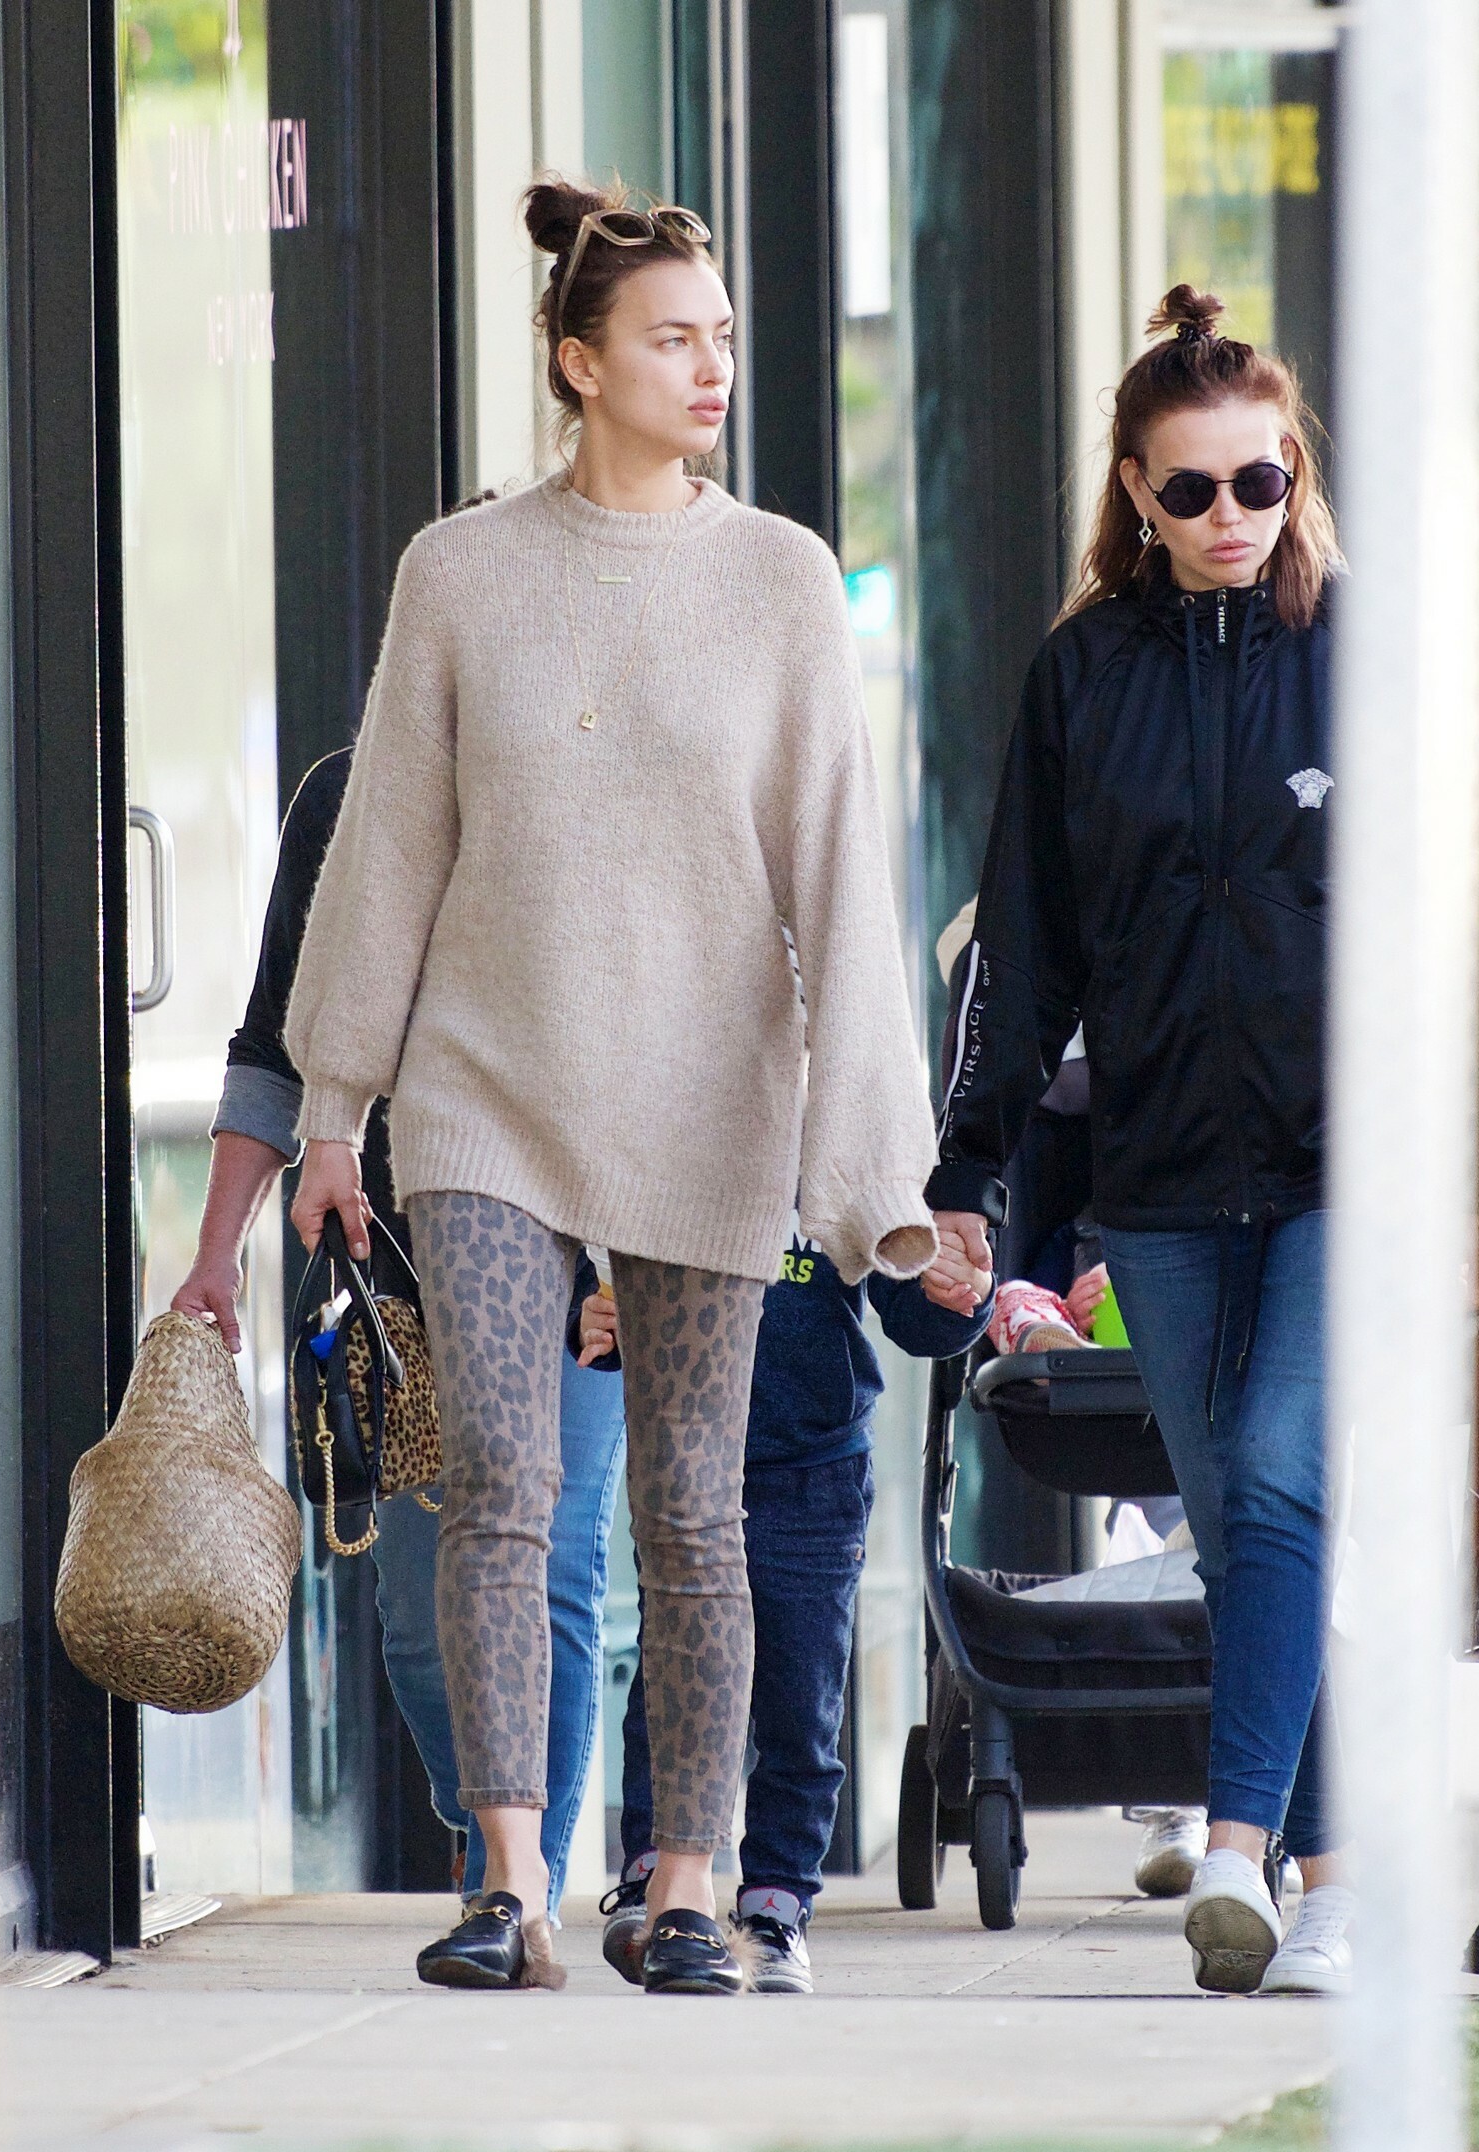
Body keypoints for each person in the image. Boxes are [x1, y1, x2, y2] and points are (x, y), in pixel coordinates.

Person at [282, 176, 963, 1994]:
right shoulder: (460, 574)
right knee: (501, 1478)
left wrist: (872, 1170)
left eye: (722, 336)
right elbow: (388, 850)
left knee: (689, 1507)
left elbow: (841, 876)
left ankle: (685, 1887)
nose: (712, 366)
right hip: (486, 1092)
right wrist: (335, 1105)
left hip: (708, 1099)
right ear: (581, 363)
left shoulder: (781, 580)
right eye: (673, 339)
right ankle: (509, 1880)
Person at [926, 286, 1350, 1996]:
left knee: (1283, 1475)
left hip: (1343, 1164)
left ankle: (1239, 1845)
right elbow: (1021, 950)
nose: (1232, 515)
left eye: (1261, 481)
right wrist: (969, 1168)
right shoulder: (1080, 677)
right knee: (1241, 1523)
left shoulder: (1364, 655)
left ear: (1294, 469)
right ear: (1135, 493)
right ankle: (1333, 1883)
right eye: (1192, 490)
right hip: (1160, 1173)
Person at [171, 745, 627, 1921]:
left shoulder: (594, 778)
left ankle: (514, 1884)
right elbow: (274, 1048)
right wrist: (217, 1255)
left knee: (551, 1570)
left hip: (577, 1264)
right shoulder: (344, 797)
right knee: (421, 1624)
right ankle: (487, 1816)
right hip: (398, 1287)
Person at [587, 1204, 991, 1992]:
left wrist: (958, 1294)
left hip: (815, 1467)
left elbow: (914, 1308)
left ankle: (776, 1905)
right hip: (685, 1452)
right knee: (673, 1679)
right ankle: (653, 1876)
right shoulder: (672, 1144)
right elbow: (608, 1274)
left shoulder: (836, 1158)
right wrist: (592, 1312)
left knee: (801, 1702)